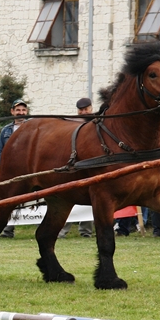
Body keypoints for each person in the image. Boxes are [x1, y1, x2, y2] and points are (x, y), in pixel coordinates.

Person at [59, 98, 95, 239]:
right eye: (81, 109)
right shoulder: (72, 124)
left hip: (91, 167)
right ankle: (62, 232)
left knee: (90, 201)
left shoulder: (96, 123)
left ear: (91, 108)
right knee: (66, 199)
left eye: (86, 109)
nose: (84, 112)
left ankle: (86, 232)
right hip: (73, 168)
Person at [0, 98, 29, 238]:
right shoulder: (5, 131)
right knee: (7, 201)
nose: (20, 113)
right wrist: (3, 168)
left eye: (23, 110)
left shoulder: (33, 128)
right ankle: (8, 230)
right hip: (11, 173)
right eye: (18, 110)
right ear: (12, 112)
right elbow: (0, 151)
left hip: (29, 171)